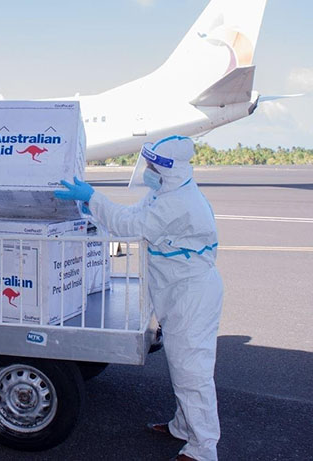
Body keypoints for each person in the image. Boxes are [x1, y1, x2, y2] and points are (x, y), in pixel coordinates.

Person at [55, 135, 223, 461]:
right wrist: (94, 210)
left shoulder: (180, 201)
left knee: (193, 371)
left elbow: (130, 225)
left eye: (152, 166)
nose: (147, 170)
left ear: (167, 169)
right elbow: (132, 213)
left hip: (192, 295)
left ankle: (204, 449)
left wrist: (92, 198)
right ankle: (183, 427)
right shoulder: (165, 192)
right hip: (177, 291)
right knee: (181, 364)